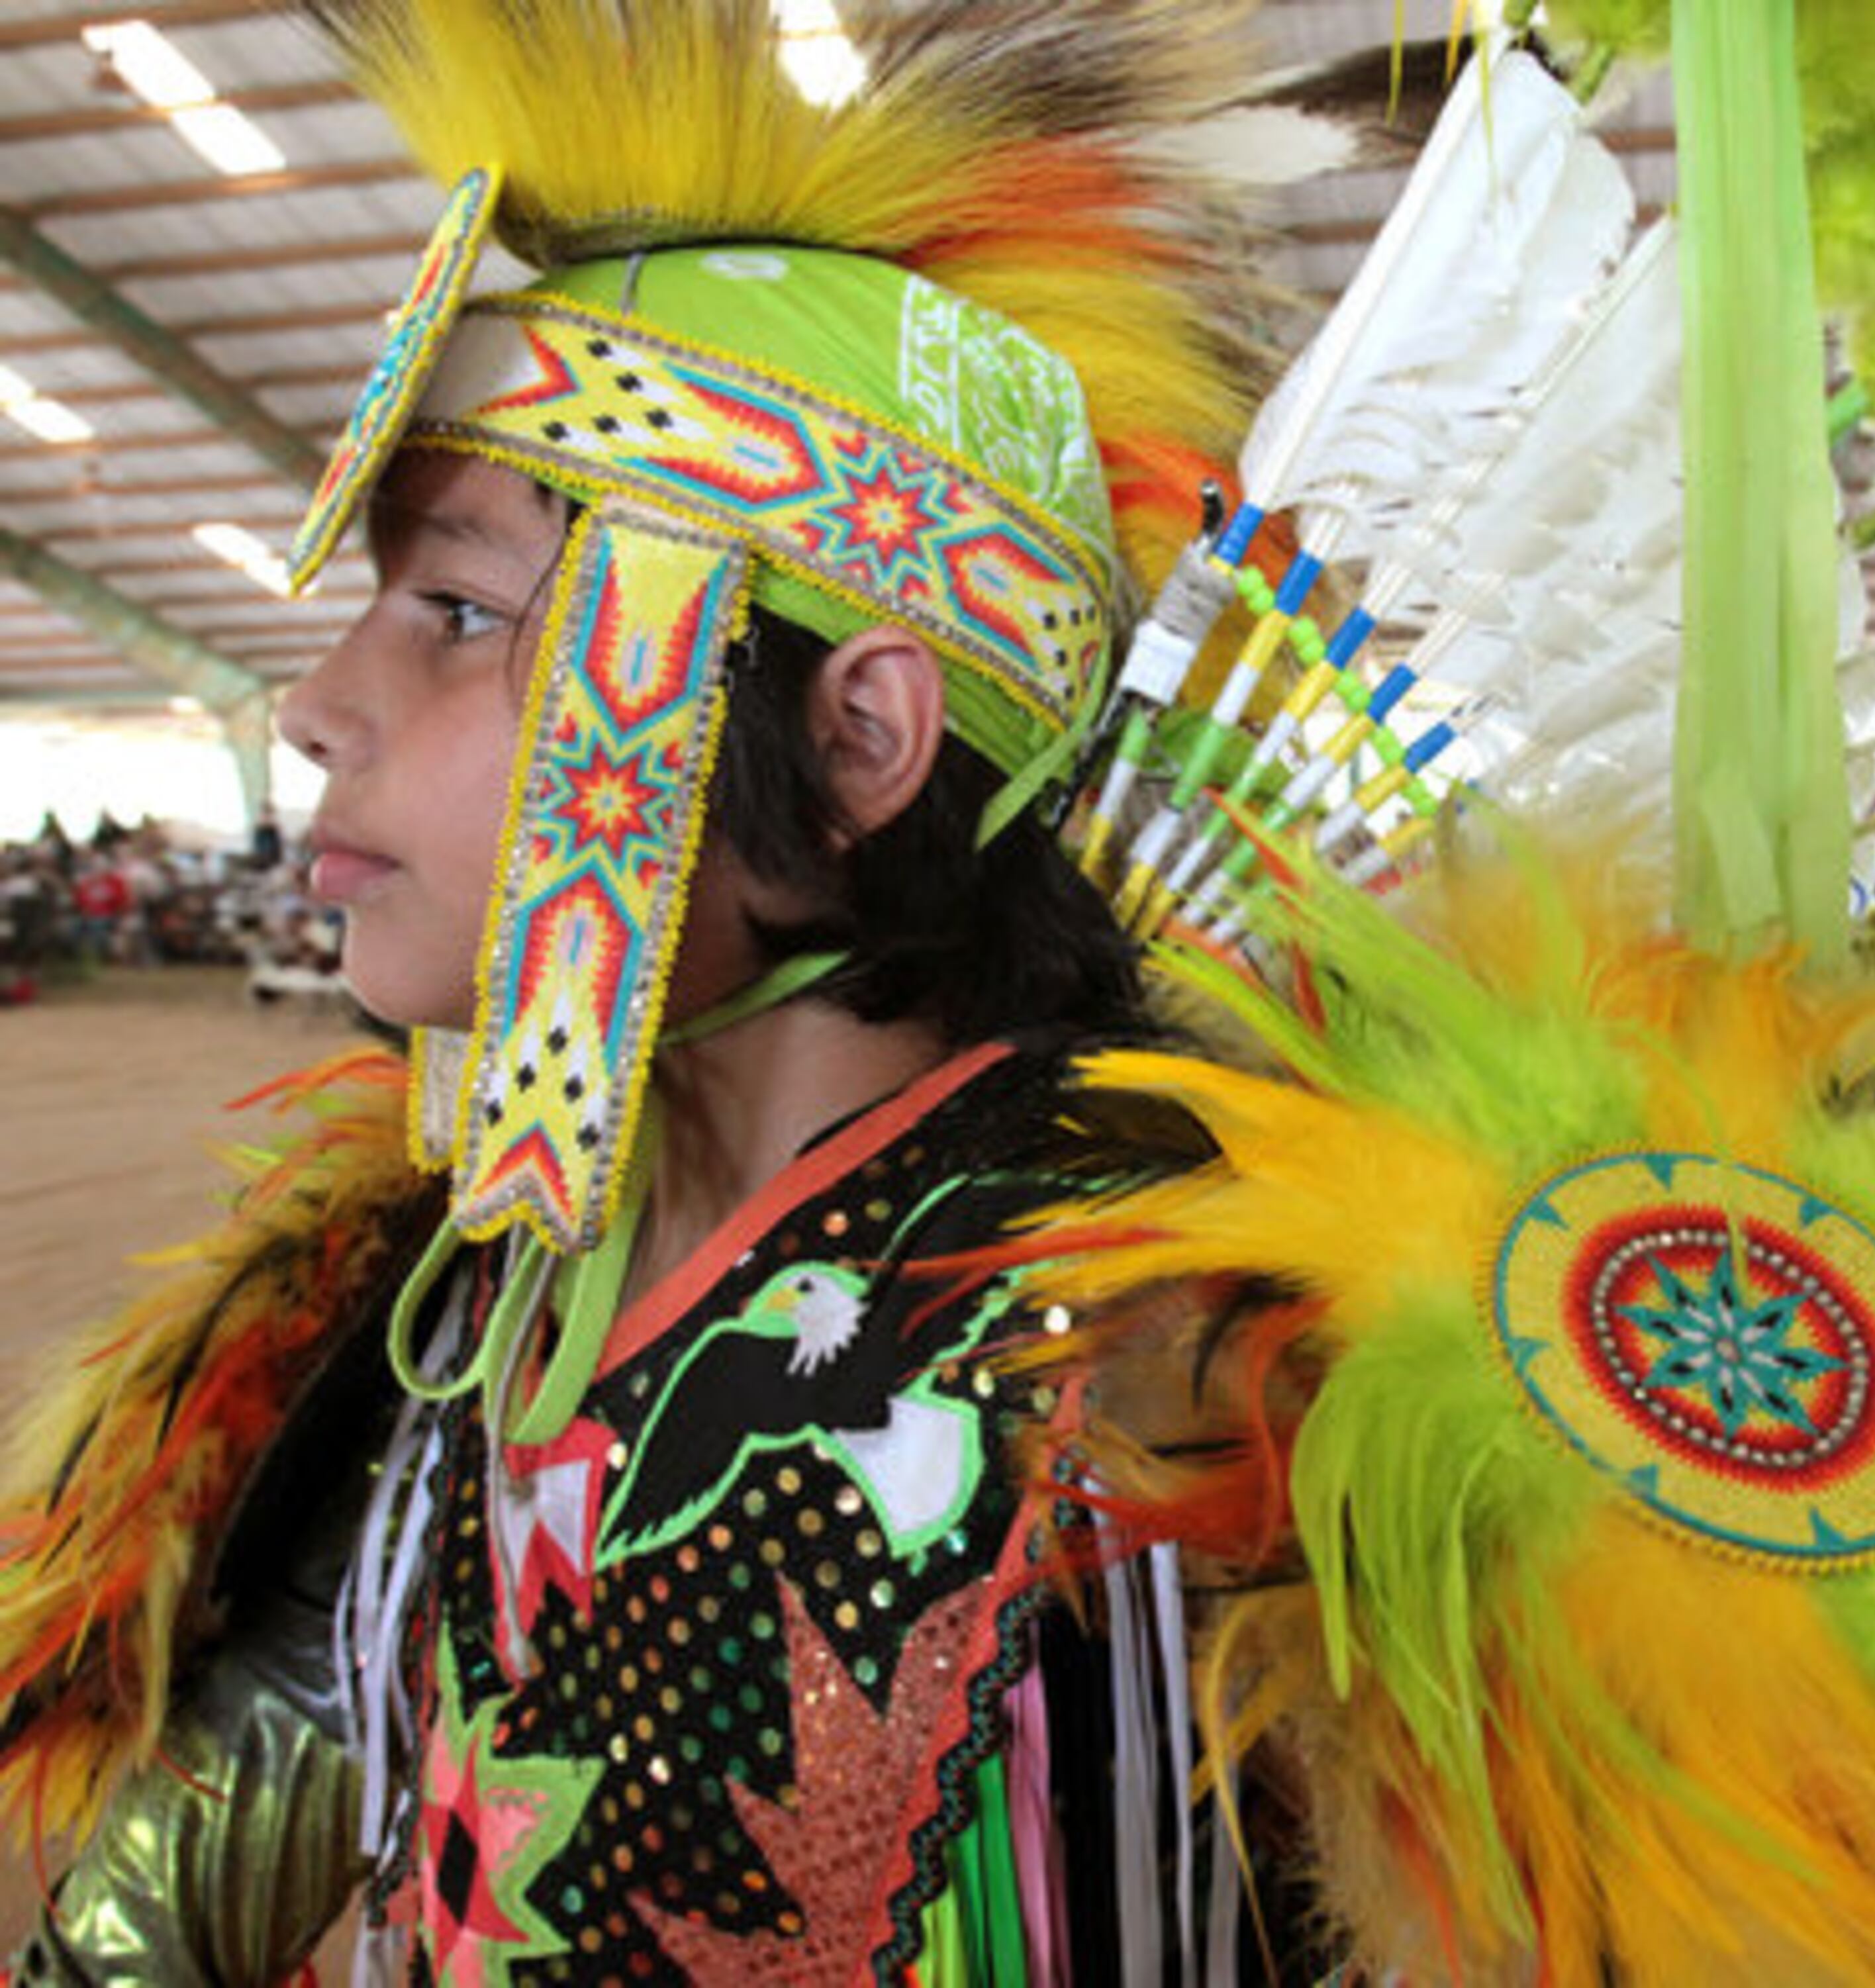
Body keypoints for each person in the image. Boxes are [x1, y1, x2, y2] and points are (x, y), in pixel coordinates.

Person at [0, 4, 1273, 1980]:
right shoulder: (465, 1287)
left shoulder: (1179, 1372)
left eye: (457, 611)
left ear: (857, 740)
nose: (315, 702)